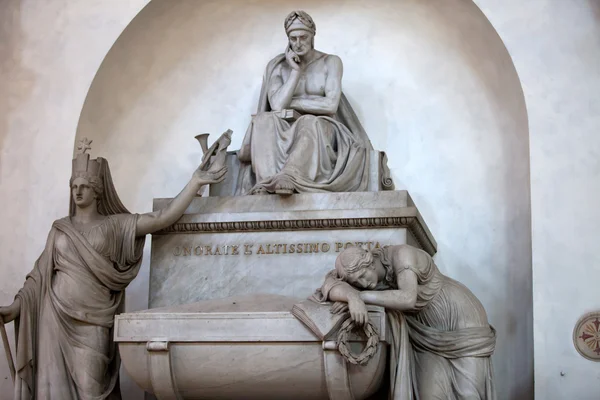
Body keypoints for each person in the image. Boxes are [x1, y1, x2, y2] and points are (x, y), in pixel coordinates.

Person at [0, 138, 227, 399]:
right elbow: (39, 276)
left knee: (91, 388)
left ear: (97, 191)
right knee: (55, 390)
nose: (78, 191)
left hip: (94, 320)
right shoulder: (59, 228)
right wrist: (15, 307)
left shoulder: (115, 225)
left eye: (84, 186)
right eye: (74, 186)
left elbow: (159, 219)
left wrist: (195, 182)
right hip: (54, 317)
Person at [313, 244, 497, 399]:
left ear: (369, 262)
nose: (362, 283)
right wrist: (351, 297)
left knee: (468, 394)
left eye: (362, 276)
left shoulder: (402, 255)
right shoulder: (360, 276)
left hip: (459, 318)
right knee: (431, 395)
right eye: (356, 282)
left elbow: (408, 298)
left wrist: (360, 296)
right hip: (424, 331)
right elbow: (328, 285)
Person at [238, 10, 375, 195]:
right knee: (263, 121)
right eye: (293, 38)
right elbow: (277, 106)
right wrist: (295, 71)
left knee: (308, 121)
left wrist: (294, 102)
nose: (298, 43)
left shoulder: (330, 62)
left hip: (324, 128)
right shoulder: (277, 67)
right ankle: (268, 182)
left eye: (303, 37)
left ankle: (290, 175)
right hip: (286, 126)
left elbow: (330, 106)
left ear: (312, 36)